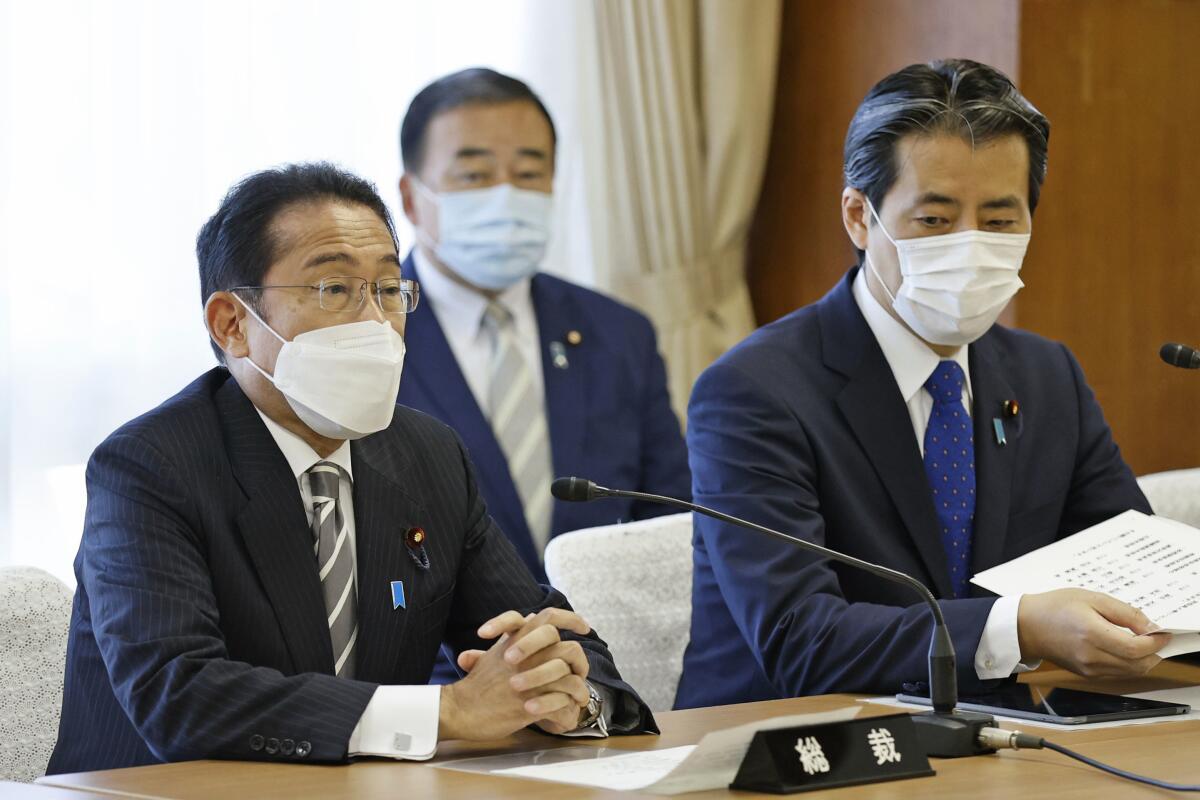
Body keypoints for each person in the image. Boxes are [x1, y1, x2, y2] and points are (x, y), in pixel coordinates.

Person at [48, 163, 655, 775]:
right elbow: (177, 696)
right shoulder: (149, 467)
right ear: (233, 324)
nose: (375, 321)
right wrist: (445, 713)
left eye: (390, 290)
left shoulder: (427, 455)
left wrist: (568, 692)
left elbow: (538, 628)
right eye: (335, 290)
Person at [675, 59, 1165, 710]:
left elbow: (1137, 572)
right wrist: (1015, 626)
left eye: (998, 221)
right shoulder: (753, 391)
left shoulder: (1047, 377)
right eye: (934, 221)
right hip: (783, 751)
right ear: (858, 216)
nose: (969, 245)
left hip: (992, 746)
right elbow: (801, 639)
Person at [395, 68, 691, 579]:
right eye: (474, 175)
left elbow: (672, 519)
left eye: (530, 174)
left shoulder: (620, 335)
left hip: (607, 649)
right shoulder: (367, 338)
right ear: (410, 197)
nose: (507, 196)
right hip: (442, 656)